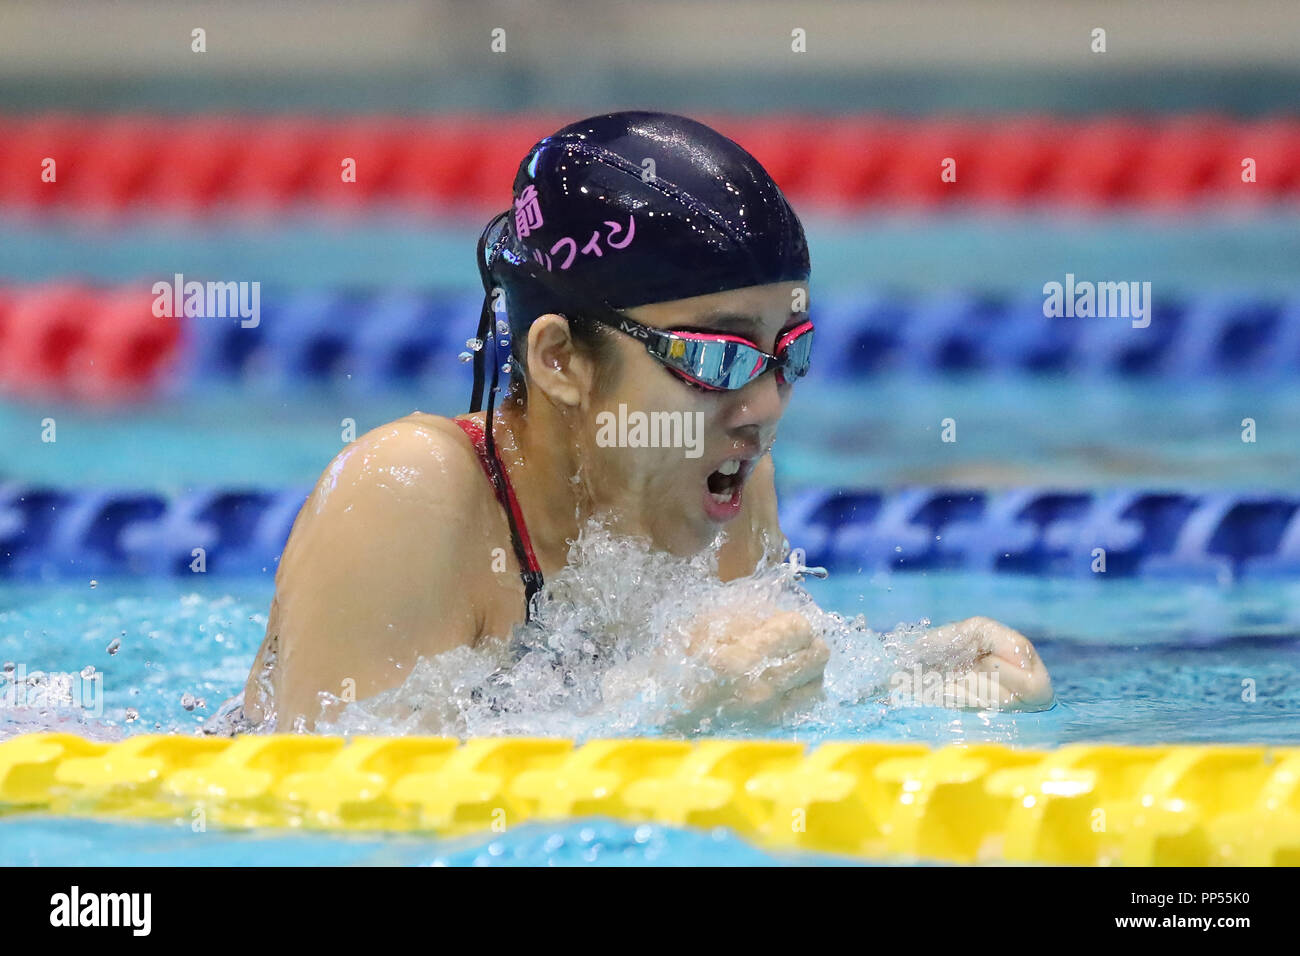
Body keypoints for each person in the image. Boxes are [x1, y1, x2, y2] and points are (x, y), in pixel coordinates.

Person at [237, 110, 1051, 731]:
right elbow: (327, 818)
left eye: (787, 353)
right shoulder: (410, 495)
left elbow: (753, 708)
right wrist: (665, 717)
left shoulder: (725, 484)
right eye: (714, 357)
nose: (763, 408)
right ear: (562, 362)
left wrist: (911, 678)